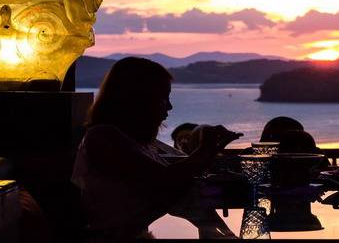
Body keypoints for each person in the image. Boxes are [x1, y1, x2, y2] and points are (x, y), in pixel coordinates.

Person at [71, 57, 242, 241]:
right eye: (163, 97)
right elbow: (166, 181)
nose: (169, 106)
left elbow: (176, 180)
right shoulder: (103, 138)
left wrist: (210, 151)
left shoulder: (137, 143)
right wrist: (205, 146)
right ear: (138, 99)